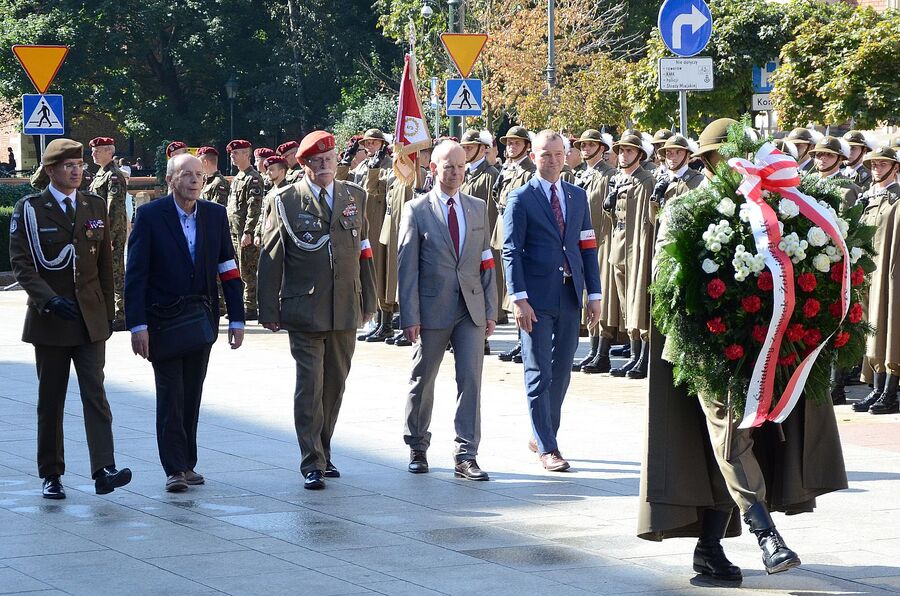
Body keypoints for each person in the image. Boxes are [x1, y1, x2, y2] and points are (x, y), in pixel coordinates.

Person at [639, 118, 847, 580]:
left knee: (744, 441)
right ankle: (765, 536)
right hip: (703, 345)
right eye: (720, 159)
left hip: (761, 343)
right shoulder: (685, 209)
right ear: (711, 162)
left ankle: (709, 548)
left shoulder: (777, 209)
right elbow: (666, 282)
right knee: (730, 435)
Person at [9, 138, 132, 499]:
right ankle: (51, 473)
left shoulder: (93, 204)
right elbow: (22, 264)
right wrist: (47, 300)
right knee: (52, 400)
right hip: (51, 320)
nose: (77, 171)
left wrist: (109, 313)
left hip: (90, 318)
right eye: (68, 166)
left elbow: (106, 266)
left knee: (96, 394)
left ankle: (104, 469)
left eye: (79, 164)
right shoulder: (30, 209)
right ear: (50, 170)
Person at [257, 131, 376, 490]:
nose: (325, 166)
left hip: (344, 307)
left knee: (335, 384)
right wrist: (268, 308)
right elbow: (271, 257)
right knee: (310, 385)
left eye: (330, 160)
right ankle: (311, 460)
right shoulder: (285, 200)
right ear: (304, 164)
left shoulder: (355, 195)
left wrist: (368, 301)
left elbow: (365, 251)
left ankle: (324, 450)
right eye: (317, 161)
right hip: (304, 307)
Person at [125, 153, 245, 492]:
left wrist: (236, 317)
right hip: (162, 322)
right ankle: (174, 468)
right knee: (170, 394)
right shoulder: (150, 216)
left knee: (191, 393)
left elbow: (228, 267)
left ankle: (188, 463)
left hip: (200, 321)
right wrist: (137, 326)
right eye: (186, 175)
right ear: (170, 180)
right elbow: (136, 275)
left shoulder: (214, 214)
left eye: (199, 175)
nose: (195, 181)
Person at [502, 130, 602, 472]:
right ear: (533, 156)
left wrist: (595, 294)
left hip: (570, 295)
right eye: (546, 155)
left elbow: (587, 247)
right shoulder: (520, 198)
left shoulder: (577, 197)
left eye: (559, 154)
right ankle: (548, 446)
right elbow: (511, 251)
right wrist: (518, 298)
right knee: (537, 371)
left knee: (561, 371)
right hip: (535, 299)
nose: (554, 160)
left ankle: (541, 430)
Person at [397, 141, 498, 479]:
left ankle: (466, 454)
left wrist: (490, 308)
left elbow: (486, 260)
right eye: (448, 166)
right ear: (433, 169)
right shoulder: (417, 209)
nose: (455, 172)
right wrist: (409, 315)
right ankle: (417, 445)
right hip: (431, 309)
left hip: (469, 308)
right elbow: (406, 267)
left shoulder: (477, 207)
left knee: (471, 380)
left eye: (460, 166)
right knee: (423, 379)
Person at [606, 133, 656, 379]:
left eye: (629, 150)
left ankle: (643, 357)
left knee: (639, 302)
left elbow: (647, 221)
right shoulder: (618, 179)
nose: (624, 154)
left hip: (637, 246)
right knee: (626, 303)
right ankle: (634, 354)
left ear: (639, 154)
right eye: (622, 150)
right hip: (619, 244)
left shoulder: (646, 180)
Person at [858, 146, 900, 414]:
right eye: (874, 163)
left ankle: (890, 391)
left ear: (895, 167)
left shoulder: (897, 197)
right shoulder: (872, 198)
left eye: (883, 164)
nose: (876, 167)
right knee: (871, 325)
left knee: (890, 325)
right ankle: (876, 387)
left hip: (891, 270)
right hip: (872, 271)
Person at [571, 129, 617, 374]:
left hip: (603, 240)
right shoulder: (581, 175)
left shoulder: (609, 175)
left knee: (602, 296)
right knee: (588, 294)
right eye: (583, 145)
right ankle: (592, 348)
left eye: (591, 145)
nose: (586, 148)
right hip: (583, 242)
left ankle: (603, 351)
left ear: (602, 148)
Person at [493, 126, 536, 361]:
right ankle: (519, 340)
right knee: (509, 289)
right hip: (503, 230)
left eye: (517, 143)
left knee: (519, 288)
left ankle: (524, 342)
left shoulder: (528, 171)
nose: (511, 146)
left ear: (526, 146)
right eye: (509, 143)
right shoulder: (508, 169)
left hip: (519, 232)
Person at [88, 137, 129, 330]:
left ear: (109, 152)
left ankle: (121, 314)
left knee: (115, 272)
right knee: (103, 272)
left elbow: (114, 209)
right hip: (98, 233)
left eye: (98, 150)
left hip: (111, 233)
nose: (94, 153)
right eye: (93, 150)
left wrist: (109, 237)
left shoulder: (114, 175)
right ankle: (108, 311)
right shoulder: (99, 175)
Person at [226, 139, 265, 319]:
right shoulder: (237, 178)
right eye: (232, 153)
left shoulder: (254, 178)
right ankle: (243, 304)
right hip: (234, 230)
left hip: (244, 231)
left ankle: (251, 307)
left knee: (248, 268)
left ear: (246, 154)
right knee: (239, 268)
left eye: (236, 153)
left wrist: (249, 231)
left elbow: (254, 207)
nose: (232, 156)